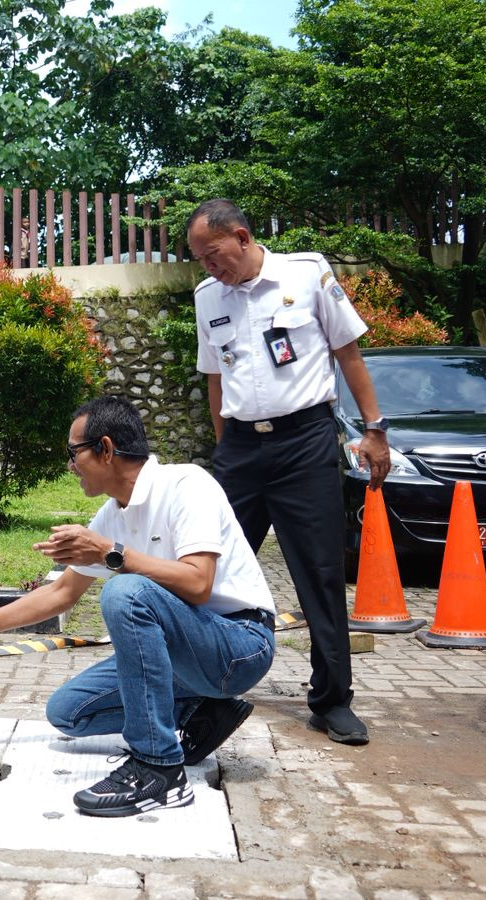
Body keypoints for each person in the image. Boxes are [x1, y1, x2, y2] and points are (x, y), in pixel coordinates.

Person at [0, 397, 276, 817]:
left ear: (106, 449)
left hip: (238, 646)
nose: (70, 465)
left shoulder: (187, 484)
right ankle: (205, 708)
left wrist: (111, 553)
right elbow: (61, 594)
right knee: (68, 713)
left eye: (73, 452)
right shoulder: (111, 515)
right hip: (185, 658)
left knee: (124, 592)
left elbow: (198, 583)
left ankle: (160, 769)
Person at [187, 199, 390, 746]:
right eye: (200, 259)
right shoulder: (209, 298)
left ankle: (332, 699)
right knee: (209, 570)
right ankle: (200, 687)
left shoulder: (305, 274)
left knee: (319, 575)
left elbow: (348, 354)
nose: (210, 267)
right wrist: (226, 446)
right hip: (241, 452)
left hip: (305, 444)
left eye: (214, 254)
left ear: (243, 236)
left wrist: (374, 429)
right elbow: (214, 379)